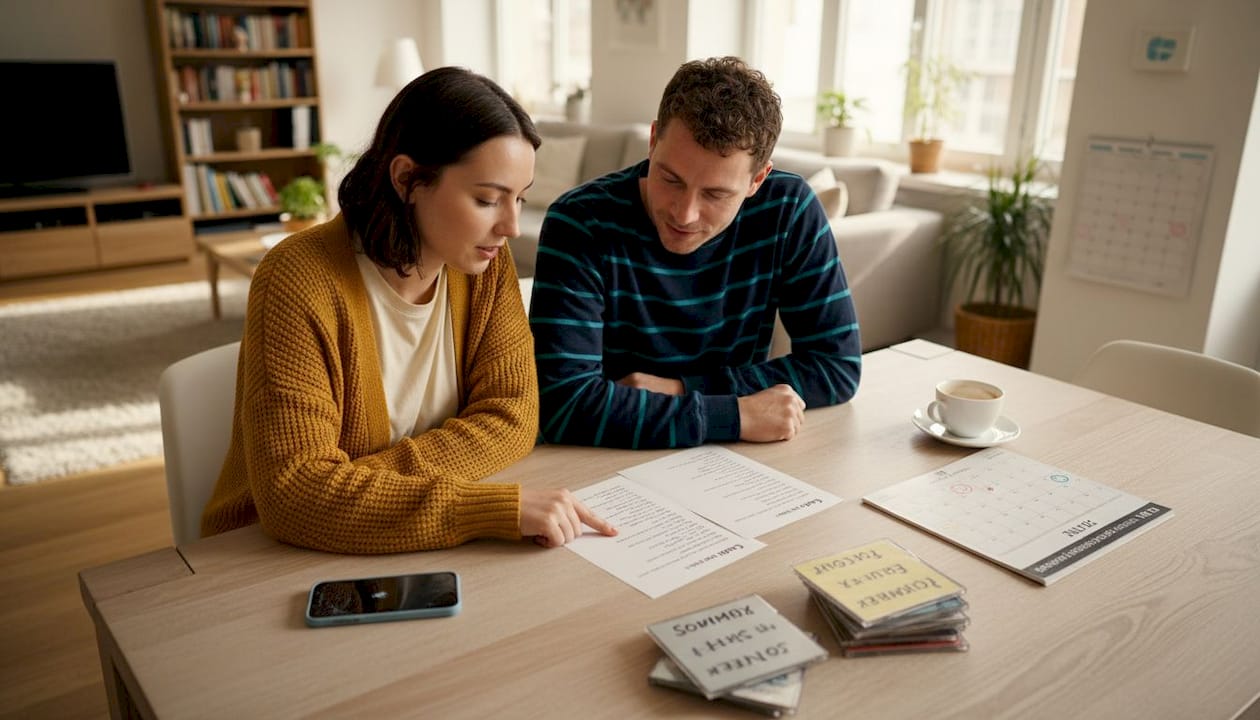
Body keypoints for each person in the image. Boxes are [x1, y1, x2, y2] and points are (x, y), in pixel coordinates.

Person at [202, 67, 615, 553]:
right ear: (407, 179)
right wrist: (481, 508)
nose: (511, 227)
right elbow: (295, 496)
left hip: (398, 542)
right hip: (262, 556)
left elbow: (514, 416)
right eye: (487, 199)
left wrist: (351, 486)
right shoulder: (297, 279)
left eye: (520, 199)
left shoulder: (485, 265)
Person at [529, 57, 861, 449]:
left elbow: (836, 365)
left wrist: (682, 389)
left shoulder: (788, 209)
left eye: (715, 194)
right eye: (670, 179)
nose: (684, 214)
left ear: (757, 180)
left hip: (730, 458)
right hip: (607, 457)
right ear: (653, 140)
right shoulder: (579, 222)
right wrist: (734, 415)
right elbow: (563, 404)